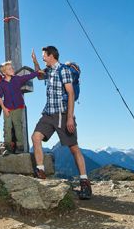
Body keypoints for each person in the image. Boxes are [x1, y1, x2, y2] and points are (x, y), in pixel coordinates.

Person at [31, 46, 92, 200]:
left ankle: (85, 182)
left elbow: (70, 93)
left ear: (51, 55)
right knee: (36, 137)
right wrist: (35, 62)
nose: (43, 57)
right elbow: (39, 76)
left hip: (63, 114)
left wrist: (70, 117)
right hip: (48, 113)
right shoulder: (49, 71)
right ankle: (40, 172)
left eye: (44, 55)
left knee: (73, 148)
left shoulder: (63, 70)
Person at [0, 61, 40, 155]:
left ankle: (20, 147)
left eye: (12, 68)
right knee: (7, 127)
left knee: (18, 126)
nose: (12, 69)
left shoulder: (17, 79)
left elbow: (28, 76)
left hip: (18, 107)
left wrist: (38, 72)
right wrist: (4, 108)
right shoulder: (1, 84)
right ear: (4, 72)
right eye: (9, 69)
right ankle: (7, 148)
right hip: (7, 109)